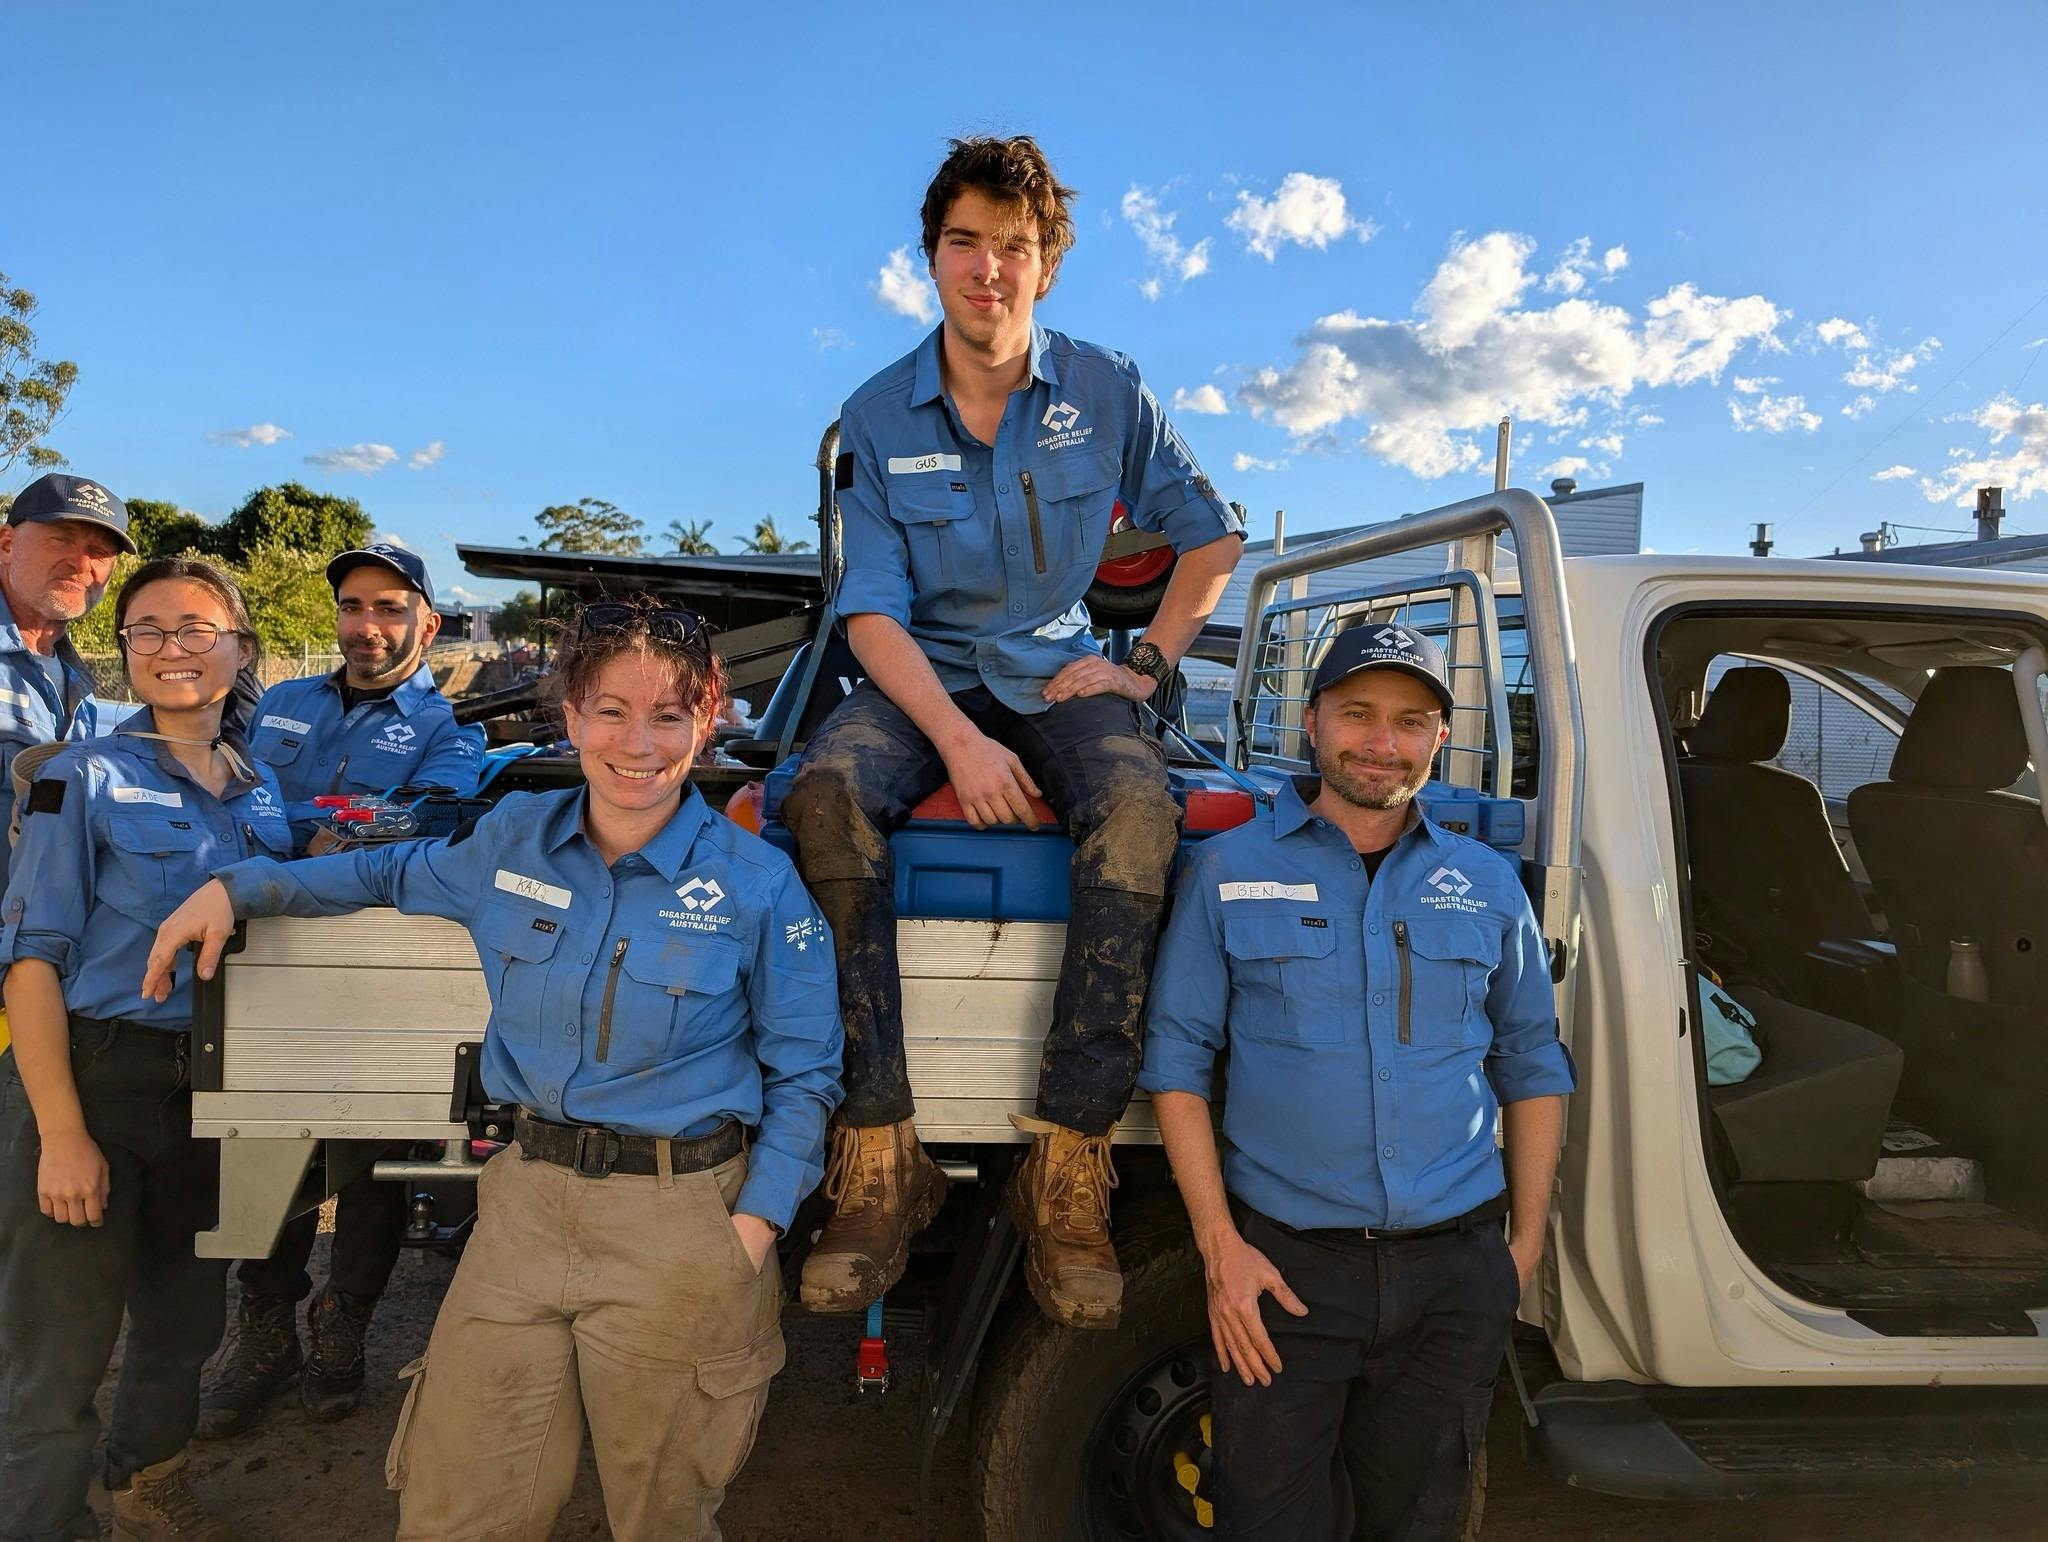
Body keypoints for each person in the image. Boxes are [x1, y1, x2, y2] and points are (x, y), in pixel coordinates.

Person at [145, 598, 842, 1542]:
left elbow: (807, 1074)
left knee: (663, 1518)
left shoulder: (758, 885)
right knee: (456, 1506)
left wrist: (751, 1232)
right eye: (610, 711)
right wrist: (237, 886)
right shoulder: (511, 838)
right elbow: (382, 873)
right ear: (570, 713)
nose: (637, 744)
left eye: (669, 716)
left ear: (709, 715)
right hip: (521, 1212)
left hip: (683, 1227)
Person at [782, 134, 1243, 1329]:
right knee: (820, 796)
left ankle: (1067, 1164)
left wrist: (1144, 665)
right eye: (964, 244)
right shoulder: (876, 417)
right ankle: (879, 1156)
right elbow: (868, 610)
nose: (987, 269)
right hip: (916, 676)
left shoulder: (1106, 390)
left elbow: (1211, 535)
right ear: (928, 257)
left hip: (1055, 669)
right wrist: (958, 743)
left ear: (1048, 267)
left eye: (1014, 248)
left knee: (1141, 808)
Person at [1139, 622, 1578, 1541]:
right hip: (1289, 1273)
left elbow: (1532, 1062)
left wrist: (1521, 1249)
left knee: (1417, 1519)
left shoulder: (1488, 884)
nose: (1383, 743)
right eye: (1359, 715)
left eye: (1411, 722)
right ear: (1312, 723)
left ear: (1439, 740)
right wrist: (1222, 1251)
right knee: (1269, 1521)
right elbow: (1176, 1063)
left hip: (1455, 1270)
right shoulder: (1230, 872)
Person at [0, 557, 290, 1542]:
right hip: (95, 1077)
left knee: (181, 1322)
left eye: (197, 627)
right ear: (124, 652)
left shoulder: (262, 792)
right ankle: (39, 1521)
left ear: (239, 650)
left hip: (214, 1088)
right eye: (148, 629)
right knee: (61, 1345)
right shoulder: (75, 780)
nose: (173, 647)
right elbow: (31, 961)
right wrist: (59, 1134)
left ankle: (145, 1491)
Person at [201, 542, 486, 1436]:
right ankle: (266, 1328)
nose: (369, 626)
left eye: (391, 608)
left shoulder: (454, 733)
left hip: (371, 977)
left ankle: (341, 1328)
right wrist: (319, 828)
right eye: (355, 606)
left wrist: (286, 828)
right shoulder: (278, 703)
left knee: (368, 1167)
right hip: (260, 962)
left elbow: (426, 824)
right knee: (260, 1147)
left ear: (426, 624)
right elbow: (221, 791)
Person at [0, 472, 137, 880]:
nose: (81, 564)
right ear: (6, 544)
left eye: (99, 552)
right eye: (60, 539)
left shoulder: (78, 683)